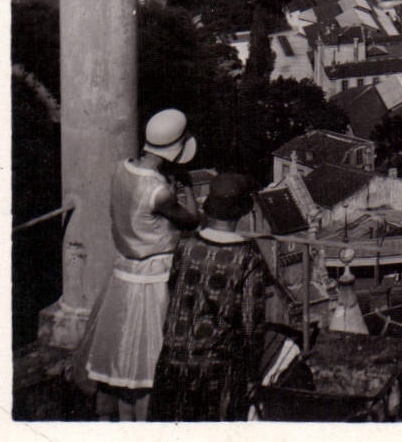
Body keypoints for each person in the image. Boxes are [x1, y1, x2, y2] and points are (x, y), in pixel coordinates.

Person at [78, 109, 200, 421]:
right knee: (147, 360)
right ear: (176, 151)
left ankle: (120, 420)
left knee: (120, 355)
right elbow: (191, 220)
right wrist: (186, 188)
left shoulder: (121, 169)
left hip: (123, 273)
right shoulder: (159, 192)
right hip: (154, 278)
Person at [150, 172, 273, 422]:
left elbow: (173, 293)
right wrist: (252, 375)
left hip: (172, 359)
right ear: (242, 212)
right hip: (216, 369)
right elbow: (251, 324)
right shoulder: (248, 257)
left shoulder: (186, 245)